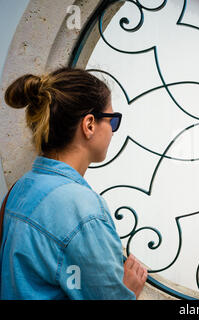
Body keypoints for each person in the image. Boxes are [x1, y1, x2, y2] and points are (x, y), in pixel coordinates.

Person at [0, 67, 147, 299]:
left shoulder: (20, 188)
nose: (113, 131)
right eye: (113, 120)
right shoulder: (83, 210)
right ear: (89, 125)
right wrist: (126, 291)